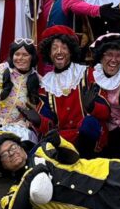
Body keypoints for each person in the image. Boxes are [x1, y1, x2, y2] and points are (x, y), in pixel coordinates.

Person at [37, 25, 110, 157]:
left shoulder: (88, 73)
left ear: (71, 51)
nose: (59, 52)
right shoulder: (46, 84)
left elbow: (106, 113)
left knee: (88, 123)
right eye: (54, 48)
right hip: (62, 139)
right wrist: (38, 120)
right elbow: (48, 122)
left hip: (89, 137)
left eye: (64, 47)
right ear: (49, 53)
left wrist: (92, 107)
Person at [0, 40, 42, 177]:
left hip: (18, 123)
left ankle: (21, 168)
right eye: (17, 54)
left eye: (25, 55)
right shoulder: (1, 71)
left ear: (32, 57)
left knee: (27, 139)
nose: (20, 58)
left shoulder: (36, 79)